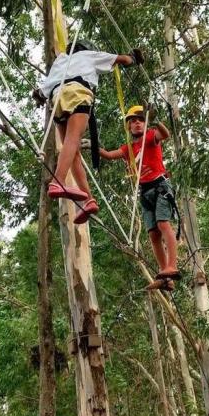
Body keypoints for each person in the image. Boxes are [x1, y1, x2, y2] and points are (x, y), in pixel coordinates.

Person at [32, 40, 144, 224]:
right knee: (73, 139)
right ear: (88, 49)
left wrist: (38, 95)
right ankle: (58, 181)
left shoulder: (61, 61)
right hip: (77, 93)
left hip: (57, 98)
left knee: (72, 150)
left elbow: (42, 92)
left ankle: (88, 200)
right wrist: (133, 59)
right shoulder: (90, 56)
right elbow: (121, 59)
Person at [99, 105, 180, 290]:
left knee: (163, 224)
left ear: (145, 123)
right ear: (128, 126)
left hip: (160, 186)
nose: (137, 123)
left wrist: (155, 120)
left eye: (140, 120)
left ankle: (172, 266)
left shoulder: (151, 136)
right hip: (144, 191)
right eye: (133, 121)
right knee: (153, 234)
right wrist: (93, 146)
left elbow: (165, 134)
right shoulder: (128, 148)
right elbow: (110, 155)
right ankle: (165, 277)